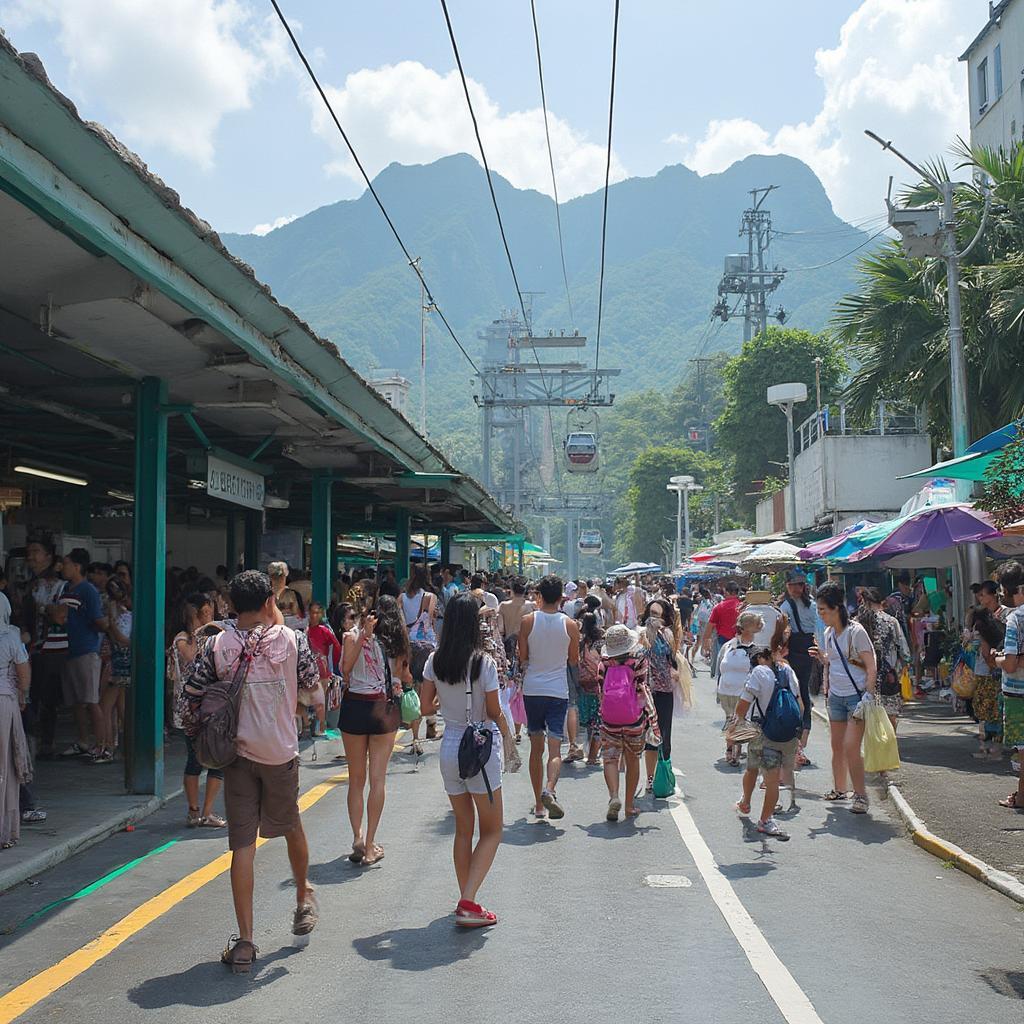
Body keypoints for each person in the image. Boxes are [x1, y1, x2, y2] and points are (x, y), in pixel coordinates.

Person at [181, 570, 320, 970]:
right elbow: (313, 691)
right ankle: (301, 899)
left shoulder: (215, 645)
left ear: (230, 605)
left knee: (242, 847)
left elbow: (189, 702)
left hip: (235, 757)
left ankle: (245, 942)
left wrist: (203, 735)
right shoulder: (293, 640)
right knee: (291, 823)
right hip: (279, 753)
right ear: (268, 602)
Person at [420, 592, 512, 927]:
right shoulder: (482, 663)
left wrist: (448, 705)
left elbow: (426, 707)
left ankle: (467, 899)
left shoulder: (435, 661)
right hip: (479, 750)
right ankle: (469, 901)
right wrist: (510, 739)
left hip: (450, 747)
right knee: (492, 830)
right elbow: (493, 710)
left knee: (463, 829)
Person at [339, 596, 405, 865]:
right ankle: (369, 845)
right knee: (377, 779)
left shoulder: (350, 636)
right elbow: (401, 674)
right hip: (382, 709)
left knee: (356, 779)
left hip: (354, 707)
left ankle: (358, 836)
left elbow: (345, 669)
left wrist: (362, 636)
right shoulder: (394, 640)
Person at [812, 581, 877, 814]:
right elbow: (834, 661)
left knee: (851, 747)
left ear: (837, 608)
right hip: (836, 697)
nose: (820, 615)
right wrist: (822, 658)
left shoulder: (856, 632)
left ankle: (861, 796)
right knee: (837, 746)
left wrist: (868, 695)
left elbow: (871, 666)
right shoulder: (829, 633)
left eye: (823, 610)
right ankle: (840, 788)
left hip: (857, 698)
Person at [519, 574, 579, 820]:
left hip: (532, 689)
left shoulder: (527, 621)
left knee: (535, 748)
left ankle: (539, 805)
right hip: (557, 691)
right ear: (562, 598)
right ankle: (549, 789)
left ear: (539, 596)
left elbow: (523, 656)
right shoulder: (570, 625)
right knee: (555, 749)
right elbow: (573, 660)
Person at [729, 644, 803, 840]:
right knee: (773, 782)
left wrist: (733, 729)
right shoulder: (788, 670)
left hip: (762, 734)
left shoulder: (759, 673)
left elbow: (743, 705)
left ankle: (748, 804)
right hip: (787, 735)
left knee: (753, 769)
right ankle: (765, 819)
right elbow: (800, 705)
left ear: (761, 658)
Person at [170, 592, 226, 829]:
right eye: (204, 612)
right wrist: (200, 632)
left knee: (219, 760)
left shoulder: (216, 636)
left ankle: (207, 811)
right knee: (195, 760)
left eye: (211, 611)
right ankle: (194, 811)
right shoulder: (182, 638)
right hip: (190, 708)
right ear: (192, 614)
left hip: (213, 705)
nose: (209, 616)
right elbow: (191, 659)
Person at [14, 535, 68, 759]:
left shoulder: (59, 586)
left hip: (51, 649)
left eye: (36, 551)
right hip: (30, 648)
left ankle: (45, 742)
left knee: (47, 697)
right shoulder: (29, 585)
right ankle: (30, 740)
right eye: (30, 552)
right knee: (31, 695)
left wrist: (42, 608)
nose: (31, 557)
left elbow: (60, 617)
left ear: (48, 556)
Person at [55, 548, 109, 761]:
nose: (63, 567)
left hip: (86, 650)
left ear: (77, 566)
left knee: (90, 699)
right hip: (70, 649)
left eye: (66, 563)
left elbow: (97, 619)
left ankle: (102, 745)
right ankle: (83, 740)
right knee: (77, 700)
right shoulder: (67, 588)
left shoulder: (88, 591)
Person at [598, 624, 651, 821]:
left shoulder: (603, 664)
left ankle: (614, 796)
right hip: (634, 719)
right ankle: (629, 806)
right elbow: (642, 689)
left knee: (610, 758)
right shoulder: (638, 662)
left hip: (609, 719)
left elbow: (600, 691)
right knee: (632, 760)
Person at [780, 570, 820, 767]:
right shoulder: (787, 605)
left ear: (804, 586)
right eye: (792, 585)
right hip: (797, 649)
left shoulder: (809, 605)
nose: (795, 588)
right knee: (797, 692)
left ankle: (799, 743)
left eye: (798, 585)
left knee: (799, 692)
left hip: (802, 650)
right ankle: (796, 743)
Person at [857, 588, 910, 730]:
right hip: (889, 674)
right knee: (890, 714)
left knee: (868, 714)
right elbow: (904, 650)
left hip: (864, 674)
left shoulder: (857, 623)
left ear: (865, 602)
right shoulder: (891, 621)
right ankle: (890, 744)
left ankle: (872, 748)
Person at [1, 598, 31, 849]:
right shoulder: (11, 636)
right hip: (4, 701)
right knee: (5, 767)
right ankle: (4, 831)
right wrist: (24, 695)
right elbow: (23, 672)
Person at [640, 598, 680, 790]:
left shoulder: (668, 635)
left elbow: (672, 660)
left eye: (657, 615)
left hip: (664, 690)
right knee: (648, 735)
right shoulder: (640, 634)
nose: (653, 619)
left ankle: (660, 775)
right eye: (651, 614)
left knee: (663, 734)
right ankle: (649, 778)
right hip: (644, 690)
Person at [717, 611, 762, 766]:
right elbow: (719, 667)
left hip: (744, 692)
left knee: (738, 720)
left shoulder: (756, 649)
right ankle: (733, 747)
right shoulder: (728, 646)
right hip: (725, 691)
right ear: (743, 628)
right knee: (731, 719)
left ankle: (733, 751)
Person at [996, 561, 1024, 810]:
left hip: (1017, 693)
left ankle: (1022, 796)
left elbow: (1012, 664)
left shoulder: (1016, 619)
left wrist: (998, 659)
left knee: (1022, 749)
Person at [96, 577, 132, 763]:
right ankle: (125, 745)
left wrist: (111, 621)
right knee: (120, 707)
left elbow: (123, 640)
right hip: (118, 664)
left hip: (117, 665)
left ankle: (108, 746)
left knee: (105, 706)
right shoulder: (125, 615)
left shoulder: (125, 616)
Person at [970, 607, 1005, 760]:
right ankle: (994, 749)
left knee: (984, 713)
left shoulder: (982, 636)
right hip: (993, 677)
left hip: (984, 677)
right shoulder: (995, 631)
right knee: (994, 714)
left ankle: (986, 749)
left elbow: (985, 655)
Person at [303, 602, 337, 737]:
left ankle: (320, 727)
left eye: (317, 612)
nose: (314, 615)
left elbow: (335, 648)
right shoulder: (303, 631)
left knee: (320, 702)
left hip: (323, 671)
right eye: (312, 612)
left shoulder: (325, 630)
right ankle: (307, 725)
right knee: (304, 701)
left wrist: (331, 667)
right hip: (306, 671)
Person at [576, 611, 604, 765]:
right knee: (597, 721)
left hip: (582, 685)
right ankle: (593, 756)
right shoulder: (601, 639)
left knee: (585, 722)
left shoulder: (580, 641)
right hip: (598, 684)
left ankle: (583, 750)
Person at [701, 580, 743, 677]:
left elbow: (710, 626)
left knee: (722, 666)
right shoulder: (742, 606)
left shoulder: (719, 607)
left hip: (723, 640)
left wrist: (705, 642)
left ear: (726, 592)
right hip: (740, 640)